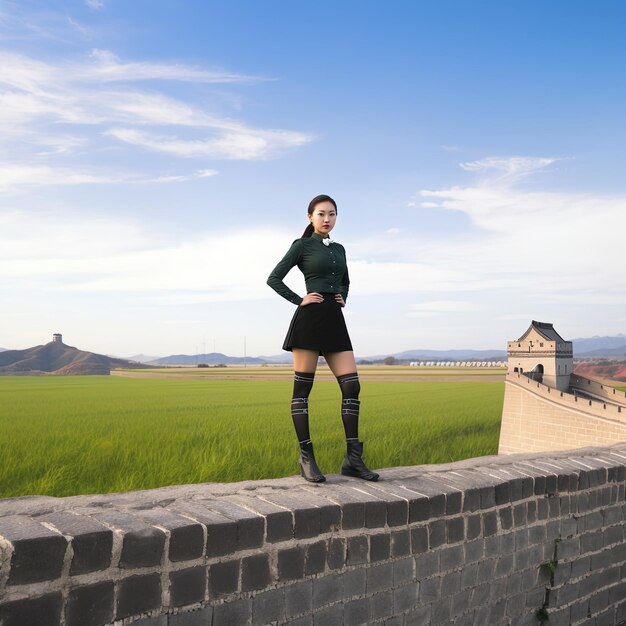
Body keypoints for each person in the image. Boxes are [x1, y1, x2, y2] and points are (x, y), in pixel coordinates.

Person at [267, 194, 379, 483]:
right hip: (309, 320)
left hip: (334, 320)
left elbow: (346, 281)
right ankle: (306, 458)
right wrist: (299, 299)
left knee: (352, 386)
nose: (326, 219)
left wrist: (344, 297)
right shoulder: (301, 246)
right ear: (310, 217)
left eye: (331, 214)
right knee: (303, 390)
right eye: (321, 214)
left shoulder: (340, 249)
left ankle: (353, 460)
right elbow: (274, 278)